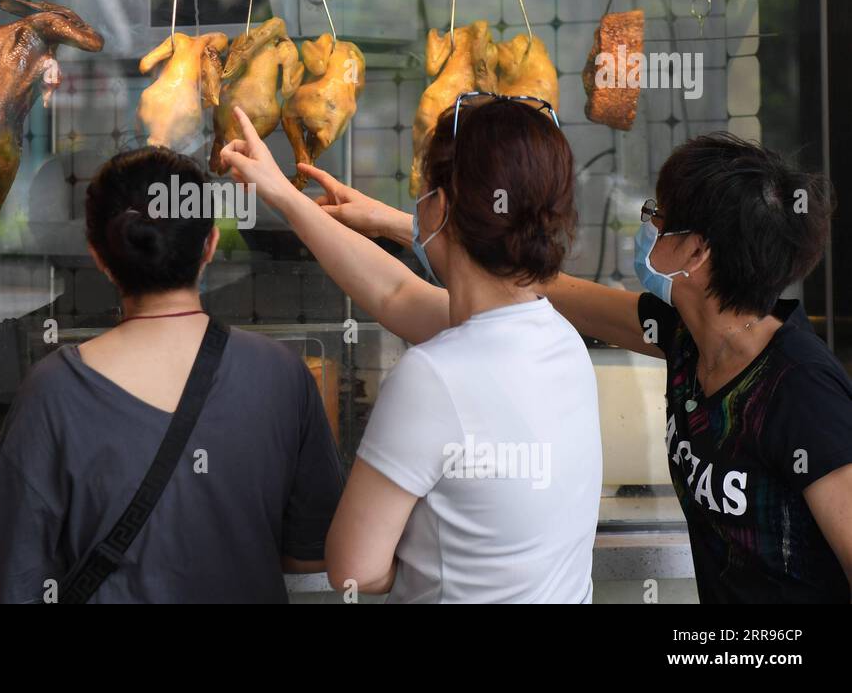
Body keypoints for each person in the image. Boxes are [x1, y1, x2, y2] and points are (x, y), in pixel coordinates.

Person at [281, 126, 852, 604]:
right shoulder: (687, 337)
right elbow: (526, 282)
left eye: (660, 216)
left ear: (697, 254)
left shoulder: (801, 393)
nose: (647, 225)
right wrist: (417, 225)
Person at [219, 95, 602, 603]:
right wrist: (285, 198)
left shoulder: (433, 376)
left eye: (421, 189)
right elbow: (395, 294)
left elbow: (354, 572)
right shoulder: (558, 339)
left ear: (439, 208)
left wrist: (424, 557)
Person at [0, 146, 343, 603]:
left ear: (97, 253)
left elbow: (20, 573)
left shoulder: (52, 391)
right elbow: (314, 552)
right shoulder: (282, 375)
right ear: (210, 243)